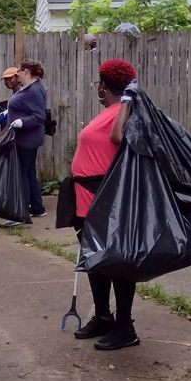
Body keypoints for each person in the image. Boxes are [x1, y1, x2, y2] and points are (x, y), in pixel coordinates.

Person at [67, 59, 139, 351]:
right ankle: (103, 317)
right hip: (85, 200)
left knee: (118, 263)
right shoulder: (107, 112)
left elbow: (119, 138)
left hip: (107, 201)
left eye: (98, 83)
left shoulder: (127, 111)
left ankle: (126, 327)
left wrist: (126, 100)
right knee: (94, 262)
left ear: (103, 86)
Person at [0, 60, 48, 226]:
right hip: (26, 138)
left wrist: (22, 122)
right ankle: (37, 208)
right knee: (29, 172)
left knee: (21, 174)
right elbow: (25, 107)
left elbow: (39, 116)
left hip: (27, 139)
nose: (18, 74)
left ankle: (19, 213)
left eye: (20, 71)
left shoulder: (35, 90)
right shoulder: (30, 89)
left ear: (27, 72)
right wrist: (8, 112)